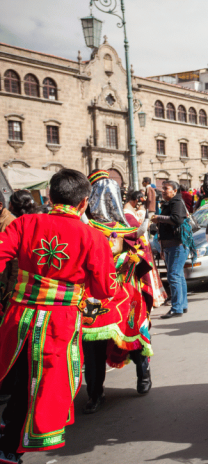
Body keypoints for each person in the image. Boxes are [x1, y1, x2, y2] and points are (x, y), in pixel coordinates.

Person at [0, 169, 116, 462]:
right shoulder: (93, 237)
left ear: (50, 195)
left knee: (10, 376)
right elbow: (105, 290)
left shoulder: (24, 224)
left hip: (18, 317)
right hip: (58, 324)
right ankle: (11, 448)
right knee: (39, 386)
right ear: (84, 202)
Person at [80, 171, 155, 414]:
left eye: (110, 190)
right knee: (92, 343)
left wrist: (127, 260)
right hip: (93, 295)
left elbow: (143, 254)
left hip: (126, 292)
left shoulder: (129, 224)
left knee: (132, 333)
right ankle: (94, 392)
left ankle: (143, 374)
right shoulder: (84, 226)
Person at [152, 181, 188, 318]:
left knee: (173, 275)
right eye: (163, 189)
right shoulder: (169, 203)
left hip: (177, 245)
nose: (163, 191)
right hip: (169, 245)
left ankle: (176, 308)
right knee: (178, 276)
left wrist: (158, 218)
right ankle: (182, 305)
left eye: (166, 189)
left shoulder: (177, 202)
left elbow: (177, 219)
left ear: (175, 190)